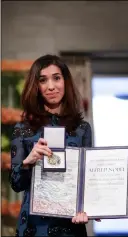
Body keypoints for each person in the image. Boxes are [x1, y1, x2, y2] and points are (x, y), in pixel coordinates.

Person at [9, 54, 98, 237]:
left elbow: (87, 181)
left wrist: (89, 209)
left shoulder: (82, 129)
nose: (51, 86)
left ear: (65, 81)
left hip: (71, 225)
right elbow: (16, 184)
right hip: (33, 227)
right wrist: (28, 162)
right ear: (36, 86)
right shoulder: (23, 129)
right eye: (43, 80)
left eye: (56, 78)